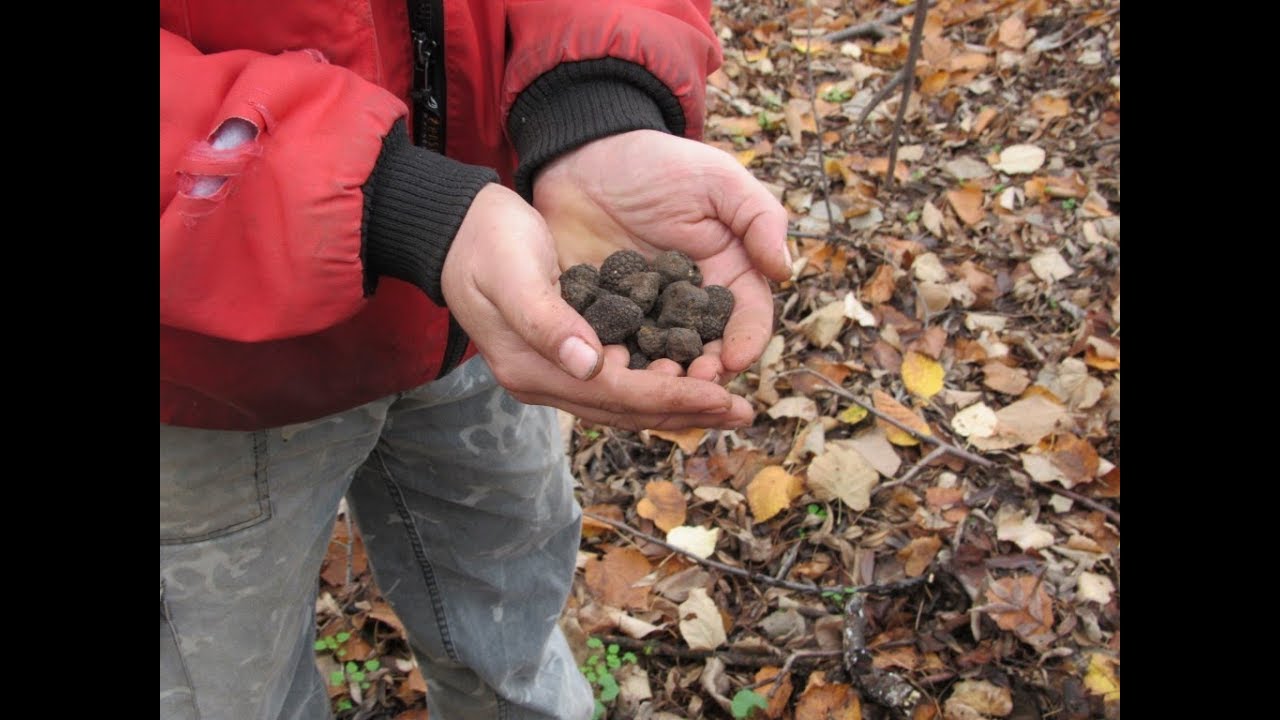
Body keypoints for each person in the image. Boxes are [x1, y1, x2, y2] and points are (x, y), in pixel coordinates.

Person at [160, 1, 791, 718]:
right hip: (208, 369)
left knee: (510, 598)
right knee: (223, 686)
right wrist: (395, 200)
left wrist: (595, 101)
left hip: (488, 306)